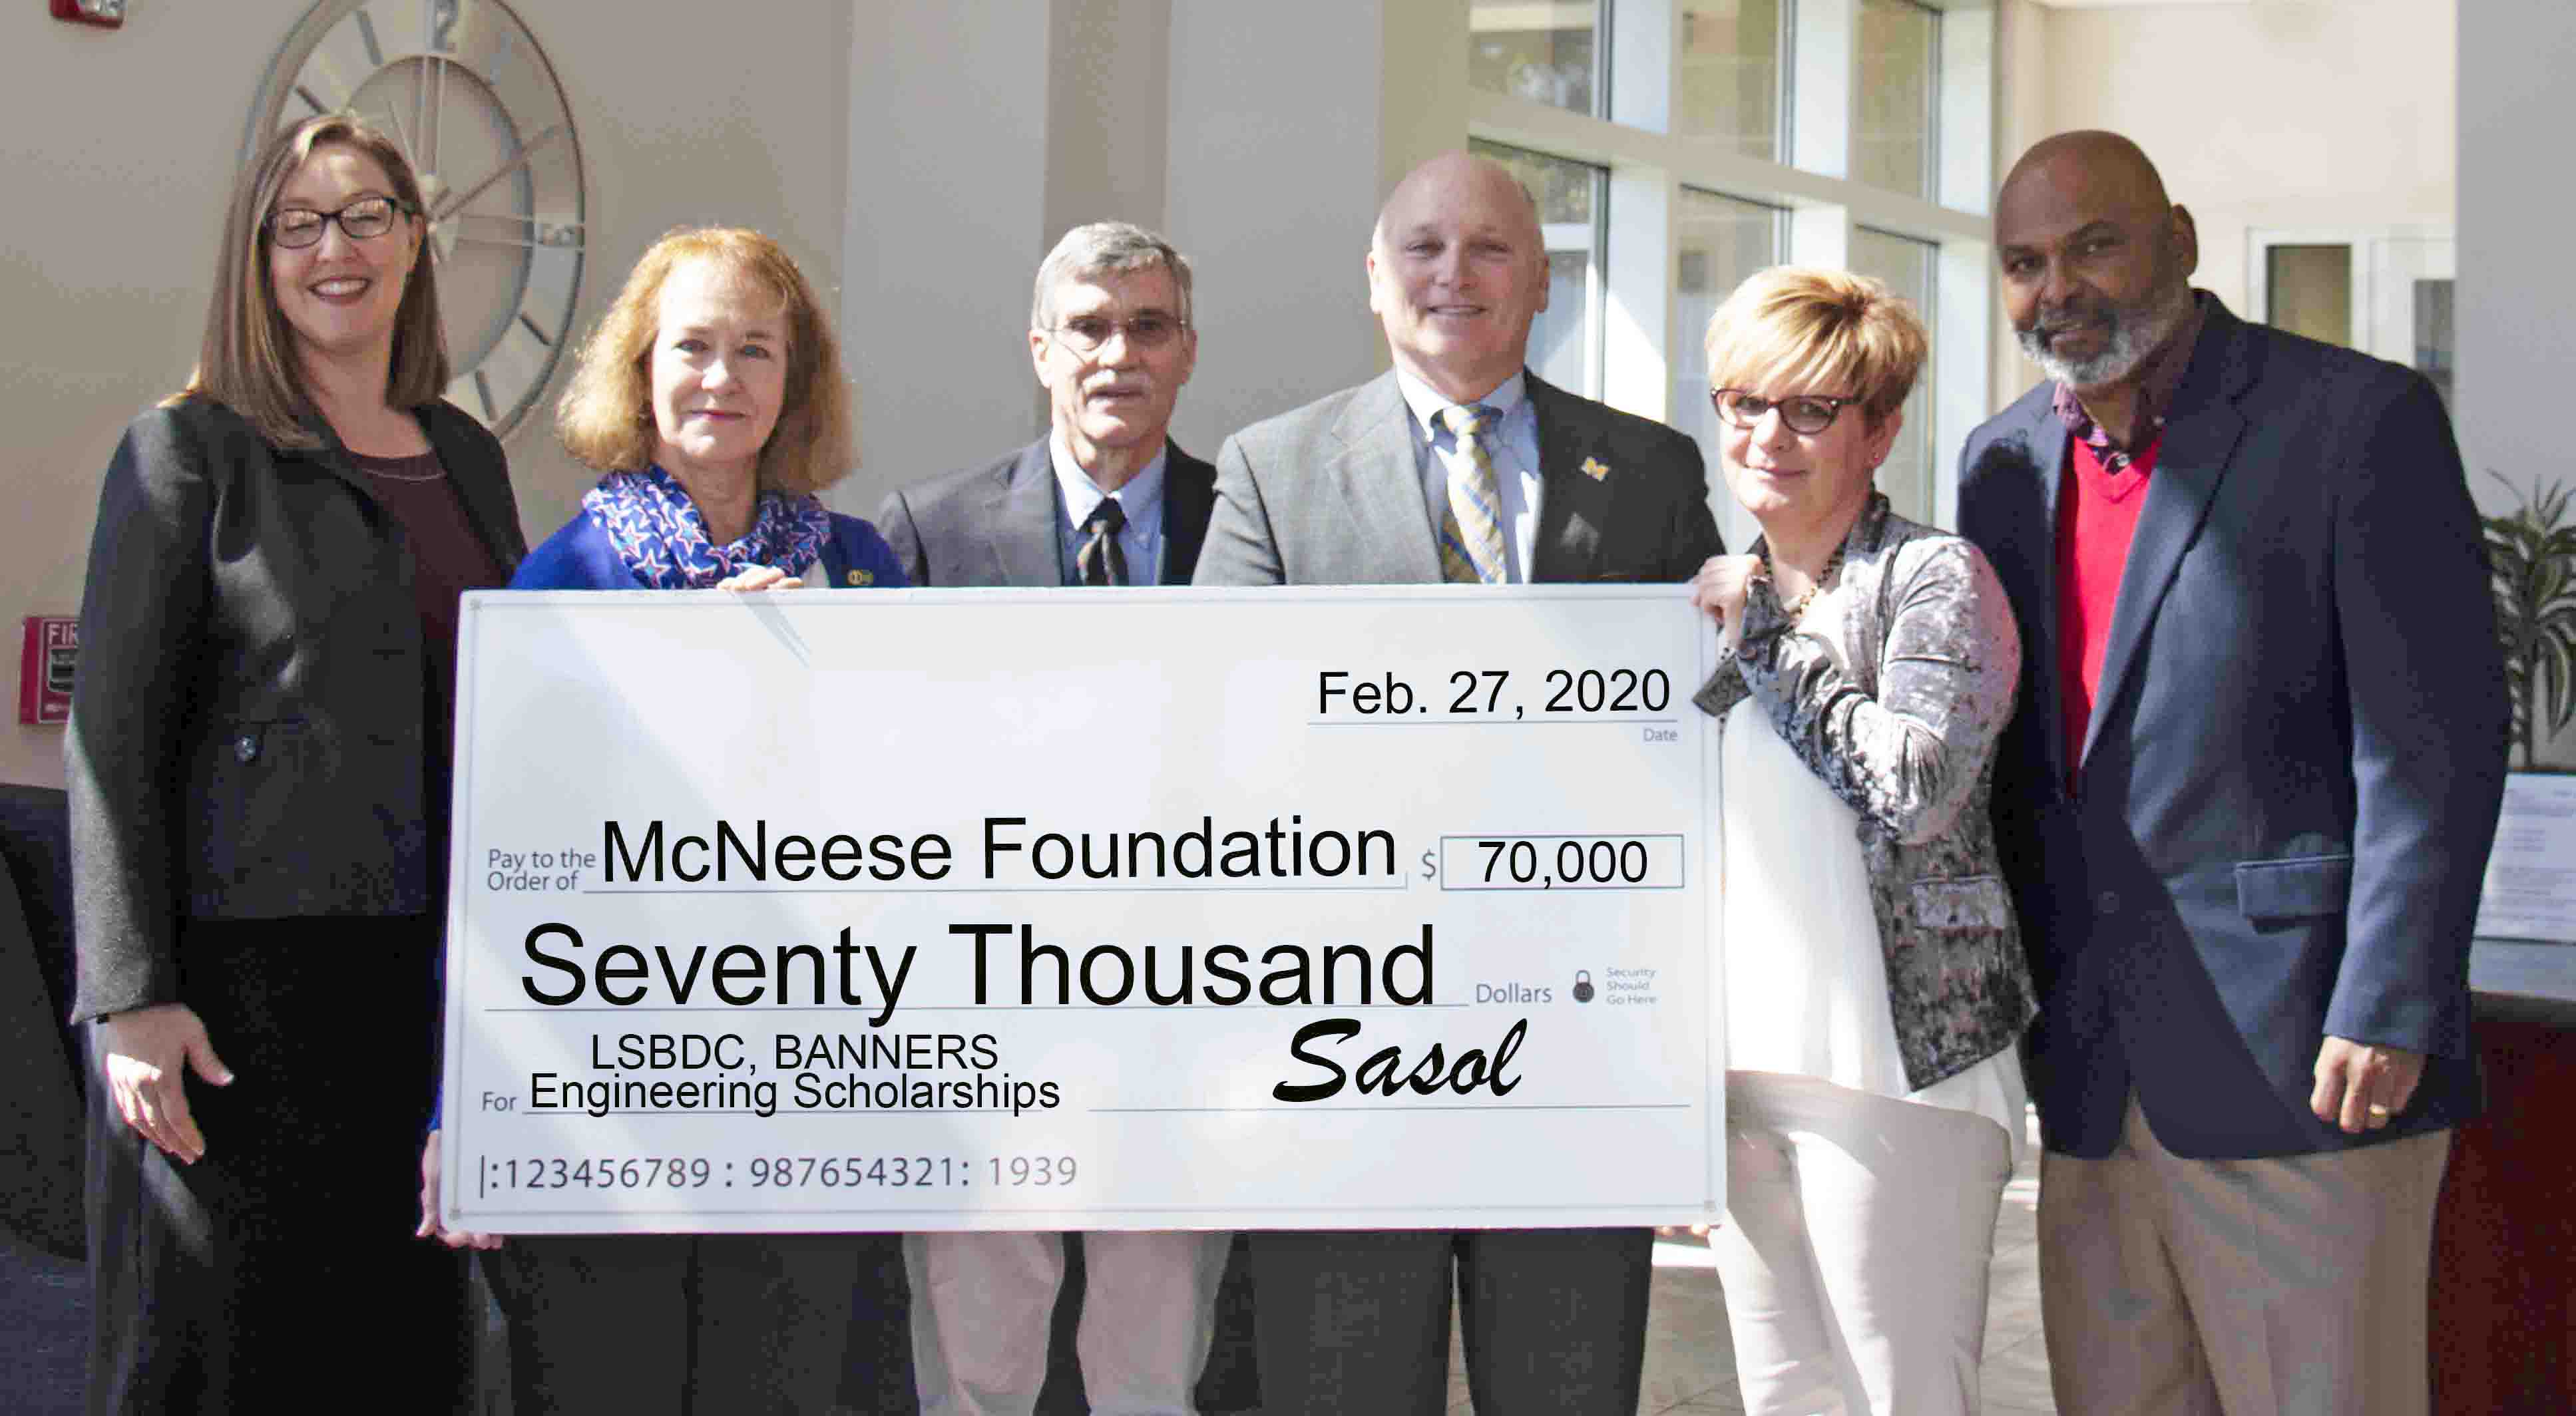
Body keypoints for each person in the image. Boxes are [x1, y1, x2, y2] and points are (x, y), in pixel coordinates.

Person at [1957, 131, 2507, 1416]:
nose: (2059, 289)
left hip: (2307, 1055)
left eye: (2094, 244)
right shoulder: (2000, 462)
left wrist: (2388, 997)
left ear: (2181, 241)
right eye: (2024, 263)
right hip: (2090, 1068)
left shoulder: (2353, 418)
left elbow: (2431, 739)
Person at [1192, 150, 1722, 1414]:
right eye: (1423, 248)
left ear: (1540, 280)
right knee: (1342, 1382)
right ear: (1374, 280)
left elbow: (1707, 724)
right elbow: (1223, 728)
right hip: (1346, 1034)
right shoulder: (1270, 468)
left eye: (1489, 248)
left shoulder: (1648, 471)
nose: (1454, 275)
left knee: (1566, 1382)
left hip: (1580, 1028)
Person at [69, 112, 526, 1413]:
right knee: (226, 1361)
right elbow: (111, 737)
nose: (337, 248)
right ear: (257, 258)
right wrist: (131, 995)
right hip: (234, 1004)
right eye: (300, 224)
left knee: (393, 1355)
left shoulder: (469, 455)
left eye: (366, 214)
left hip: (423, 996)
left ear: (415, 238)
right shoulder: (187, 453)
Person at [416, 226, 913, 1413]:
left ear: (796, 380)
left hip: (807, 1088)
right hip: (606, 1088)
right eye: (692, 346)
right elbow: (493, 866)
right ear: (641, 369)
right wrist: (461, 1104)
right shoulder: (559, 582)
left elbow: (921, 823)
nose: (721, 378)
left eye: (755, 350)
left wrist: (835, 675)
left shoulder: (861, 572)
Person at [876, 221, 1233, 1415]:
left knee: (1149, 1366)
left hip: (1187, 1004)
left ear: (1187, 350)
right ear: (1039, 349)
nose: (1114, 354)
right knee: (976, 1368)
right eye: (1086, 326)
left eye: (1146, 326)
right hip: (988, 1010)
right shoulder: (928, 530)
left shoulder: (1253, 528)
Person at [1685, 267, 2034, 1415]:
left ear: (1878, 428)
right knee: (1782, 1397)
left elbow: (1917, 788)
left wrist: (1771, 643)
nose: (1767, 435)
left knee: (1905, 1397)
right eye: (1744, 403)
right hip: (1738, 1078)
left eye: (1811, 409)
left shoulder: (1934, 579)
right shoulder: (1708, 598)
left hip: (1897, 1079)